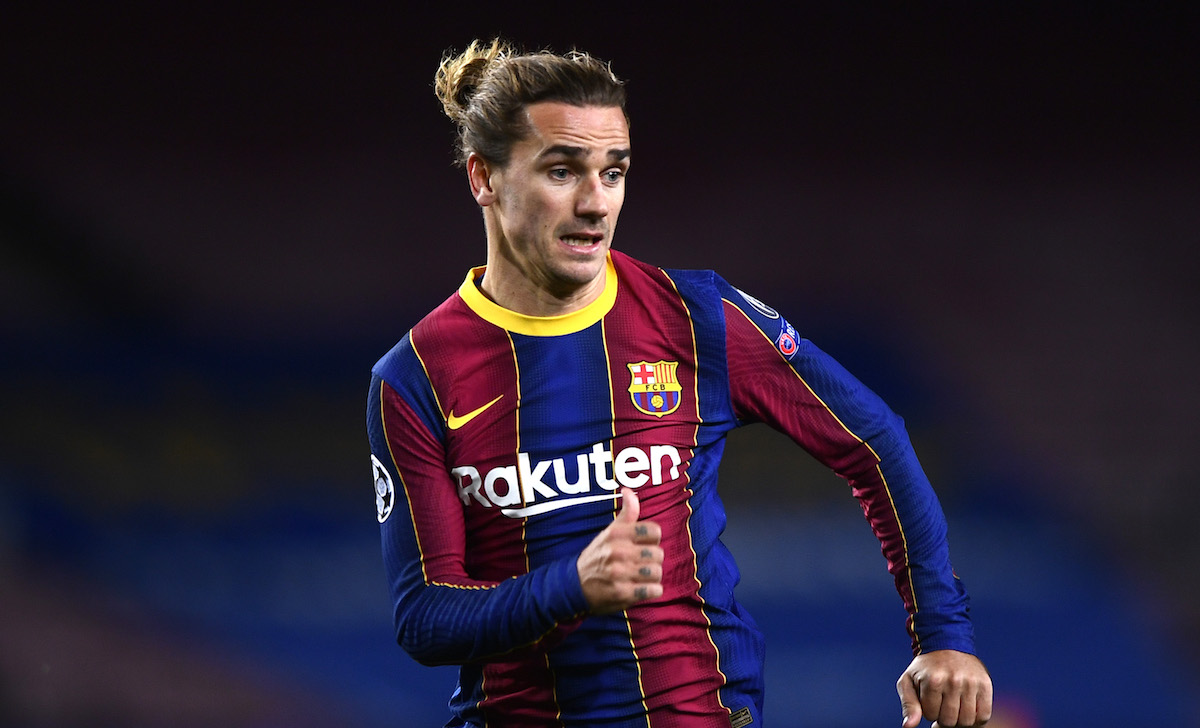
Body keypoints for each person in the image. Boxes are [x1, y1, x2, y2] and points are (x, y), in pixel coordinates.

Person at [366, 38, 992, 727]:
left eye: (613, 172)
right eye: (562, 171)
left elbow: (874, 441)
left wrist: (944, 635)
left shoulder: (696, 317)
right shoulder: (414, 375)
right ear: (484, 178)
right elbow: (424, 618)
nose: (595, 203)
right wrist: (571, 587)